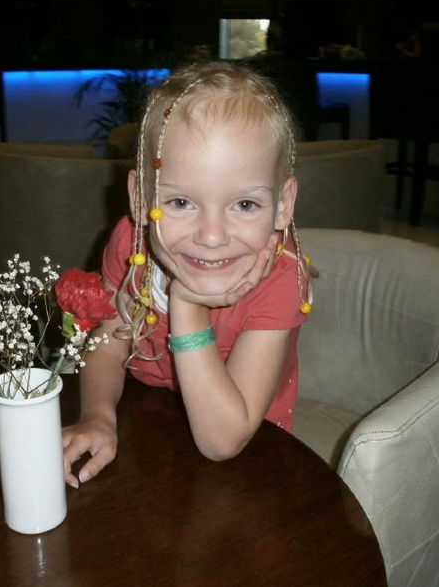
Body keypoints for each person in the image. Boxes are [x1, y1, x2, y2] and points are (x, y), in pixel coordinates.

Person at [61, 61, 312, 488]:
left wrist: (187, 302)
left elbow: (222, 442)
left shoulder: (281, 278)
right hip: (147, 418)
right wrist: (98, 416)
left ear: (283, 204)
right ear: (140, 198)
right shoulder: (131, 244)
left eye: (245, 205)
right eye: (180, 203)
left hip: (246, 456)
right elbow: (108, 343)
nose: (212, 236)